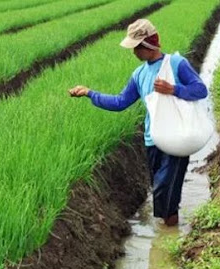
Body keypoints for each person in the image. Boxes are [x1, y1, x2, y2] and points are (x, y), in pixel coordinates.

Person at [69, 19, 208, 227]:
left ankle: (168, 233)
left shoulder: (177, 64)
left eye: (136, 48)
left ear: (148, 45)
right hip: (153, 140)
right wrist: (90, 93)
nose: (134, 53)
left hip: (178, 137)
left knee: (164, 190)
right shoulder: (139, 74)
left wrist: (174, 89)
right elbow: (120, 102)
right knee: (163, 194)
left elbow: (201, 90)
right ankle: (169, 230)